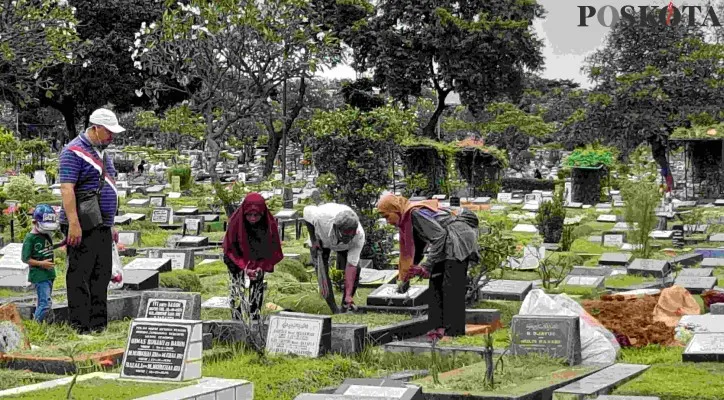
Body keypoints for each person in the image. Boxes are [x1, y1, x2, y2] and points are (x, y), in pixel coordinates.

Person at [377, 194, 480, 337]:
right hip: (447, 239)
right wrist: (406, 276)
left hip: (457, 237)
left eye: (387, 216)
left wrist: (427, 265)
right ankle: (436, 327)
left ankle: (453, 332)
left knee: (451, 286)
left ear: (396, 210)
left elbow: (439, 236)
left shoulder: (414, 214)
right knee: (435, 284)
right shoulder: (408, 219)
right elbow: (418, 249)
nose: (387, 221)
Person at [59, 108, 122, 334]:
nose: (112, 137)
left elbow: (110, 185)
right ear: (95, 128)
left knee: (101, 273)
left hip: (102, 222)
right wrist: (73, 224)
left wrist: (111, 222)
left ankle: (98, 324)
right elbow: (67, 189)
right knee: (80, 273)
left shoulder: (102, 153)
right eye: (108, 132)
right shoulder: (73, 151)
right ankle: (81, 325)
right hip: (83, 222)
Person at [223, 193, 283, 320]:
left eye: (256, 215)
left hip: (259, 261)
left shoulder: (269, 224)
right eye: (249, 215)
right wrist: (245, 268)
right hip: (236, 260)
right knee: (237, 287)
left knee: (257, 288)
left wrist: (261, 267)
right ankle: (237, 318)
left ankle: (255, 317)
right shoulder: (235, 222)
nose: (253, 218)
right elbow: (230, 249)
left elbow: (272, 249)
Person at [303, 203, 365, 314]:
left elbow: (351, 266)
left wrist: (348, 295)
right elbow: (306, 211)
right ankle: (334, 309)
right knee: (322, 271)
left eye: (351, 236)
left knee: (357, 269)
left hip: (342, 246)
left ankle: (345, 304)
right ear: (336, 228)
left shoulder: (358, 236)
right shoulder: (320, 216)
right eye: (345, 236)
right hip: (322, 238)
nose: (348, 239)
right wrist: (313, 240)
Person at [21, 205, 60, 323]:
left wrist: (63, 243)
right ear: (35, 222)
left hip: (49, 274)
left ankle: (43, 323)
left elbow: (49, 247)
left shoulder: (46, 235)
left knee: (44, 300)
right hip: (39, 275)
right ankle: (35, 325)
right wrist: (41, 263)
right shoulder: (30, 238)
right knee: (45, 303)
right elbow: (25, 258)